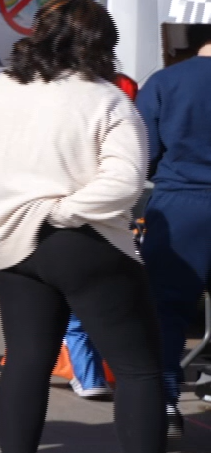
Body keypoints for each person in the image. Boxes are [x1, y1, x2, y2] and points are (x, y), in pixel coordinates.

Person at [0, 0, 162, 453]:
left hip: (9, 242)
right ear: (102, 44)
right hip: (82, 239)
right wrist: (63, 211)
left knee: (26, 363)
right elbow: (126, 181)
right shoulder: (106, 99)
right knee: (138, 368)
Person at [134, 24, 211, 438]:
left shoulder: (166, 81)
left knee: (167, 313)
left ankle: (165, 405)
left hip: (181, 205)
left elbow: (141, 154)